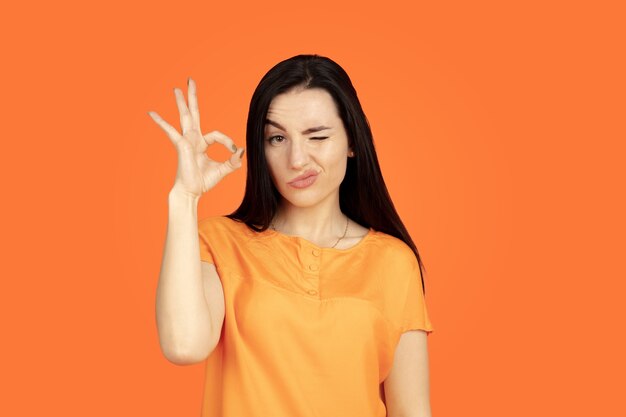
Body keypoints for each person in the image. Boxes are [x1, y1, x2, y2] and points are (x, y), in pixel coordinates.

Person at [149, 54, 434, 417]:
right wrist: (184, 198)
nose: (296, 158)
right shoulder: (218, 241)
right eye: (277, 138)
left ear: (351, 142)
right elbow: (183, 346)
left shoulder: (394, 262)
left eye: (317, 136)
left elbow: (412, 411)